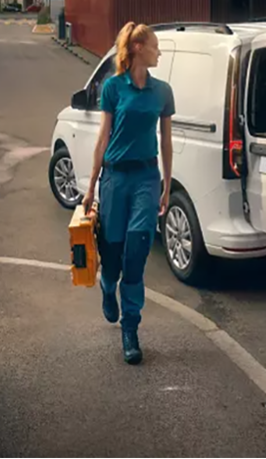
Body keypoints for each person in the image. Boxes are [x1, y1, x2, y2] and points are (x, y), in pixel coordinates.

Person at [82, 21, 175, 365]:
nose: (159, 52)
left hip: (146, 177)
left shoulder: (163, 92)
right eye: (154, 46)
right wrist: (91, 186)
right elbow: (103, 137)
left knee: (136, 255)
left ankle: (130, 330)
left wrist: (167, 183)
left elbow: (165, 139)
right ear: (137, 48)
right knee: (113, 254)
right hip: (115, 179)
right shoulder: (113, 88)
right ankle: (108, 288)